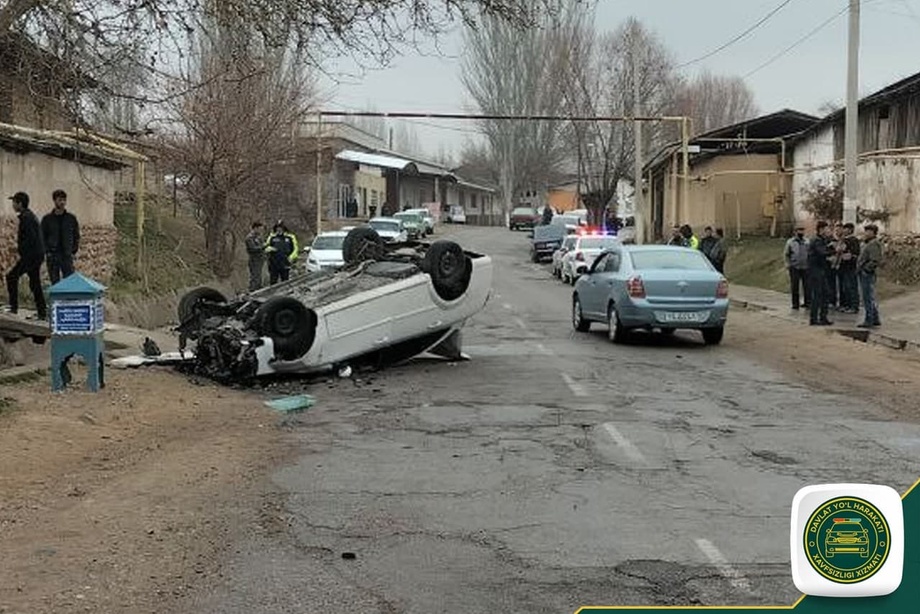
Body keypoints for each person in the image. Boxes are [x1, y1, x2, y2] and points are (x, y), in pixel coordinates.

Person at [4, 192, 47, 320]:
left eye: (14, 202)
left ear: (20, 204)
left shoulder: (27, 218)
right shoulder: (28, 216)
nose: (13, 205)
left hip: (32, 256)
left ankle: (13, 308)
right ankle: (42, 312)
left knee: (11, 277)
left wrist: (22, 253)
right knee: (35, 283)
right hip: (35, 255)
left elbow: (31, 239)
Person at [40, 189, 80, 284]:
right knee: (54, 281)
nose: (62, 202)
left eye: (64, 200)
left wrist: (73, 250)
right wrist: (47, 251)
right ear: (54, 201)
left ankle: (68, 298)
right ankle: (56, 299)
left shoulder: (71, 219)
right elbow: (41, 237)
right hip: (52, 255)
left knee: (70, 280)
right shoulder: (47, 219)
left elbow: (76, 235)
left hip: (66, 255)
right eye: (60, 200)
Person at [807, 220, 833, 326]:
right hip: (815, 270)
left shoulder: (823, 240)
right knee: (818, 294)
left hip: (821, 270)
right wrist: (833, 250)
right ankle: (814, 318)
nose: (828, 230)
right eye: (827, 228)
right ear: (821, 229)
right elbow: (822, 252)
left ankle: (823, 317)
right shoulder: (817, 240)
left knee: (825, 294)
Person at [856, 224, 883, 328]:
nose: (866, 233)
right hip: (865, 272)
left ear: (873, 232)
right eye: (865, 231)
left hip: (867, 273)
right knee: (869, 296)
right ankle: (875, 318)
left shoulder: (873, 244)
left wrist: (866, 269)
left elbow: (875, 260)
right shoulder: (868, 243)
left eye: (868, 231)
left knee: (867, 297)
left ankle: (869, 319)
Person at [783, 225, 810, 310]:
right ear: (795, 232)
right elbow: (786, 254)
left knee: (807, 286)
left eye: (802, 230)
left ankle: (807, 302)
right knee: (795, 286)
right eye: (799, 230)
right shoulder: (790, 242)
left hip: (805, 267)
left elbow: (809, 253)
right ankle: (795, 304)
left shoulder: (807, 241)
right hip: (794, 267)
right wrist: (788, 264)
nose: (801, 232)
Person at [838, 222, 861, 313]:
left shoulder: (854, 240)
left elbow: (855, 253)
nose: (844, 230)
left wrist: (848, 255)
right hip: (843, 266)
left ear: (850, 230)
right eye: (844, 229)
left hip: (851, 267)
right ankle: (847, 305)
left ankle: (854, 306)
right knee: (845, 287)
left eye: (846, 229)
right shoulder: (843, 240)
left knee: (852, 286)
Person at [245, 221, 265, 292]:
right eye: (260, 229)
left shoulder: (259, 237)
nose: (261, 231)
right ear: (255, 228)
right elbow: (252, 248)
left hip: (260, 260)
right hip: (254, 260)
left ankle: (258, 291)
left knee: (259, 277)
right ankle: (252, 292)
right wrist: (264, 247)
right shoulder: (249, 238)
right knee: (254, 277)